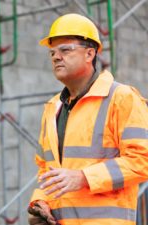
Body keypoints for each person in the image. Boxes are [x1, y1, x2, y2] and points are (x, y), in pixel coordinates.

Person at [28, 13, 148, 225]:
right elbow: (46, 170)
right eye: (52, 52)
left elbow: (143, 161)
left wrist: (83, 177)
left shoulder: (121, 98)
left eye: (66, 50)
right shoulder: (52, 108)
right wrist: (40, 203)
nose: (56, 57)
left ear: (90, 54)